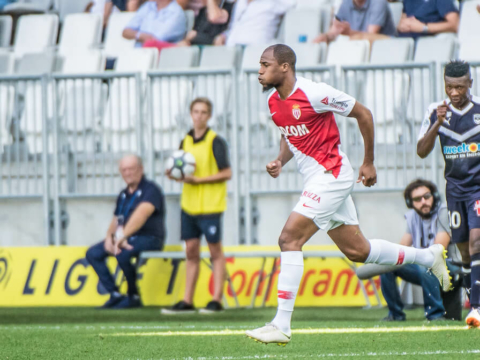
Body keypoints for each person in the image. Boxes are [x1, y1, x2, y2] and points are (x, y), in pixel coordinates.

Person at [245, 44, 451, 345]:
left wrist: (368, 161)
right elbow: (289, 133)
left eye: (265, 64)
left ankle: (281, 323)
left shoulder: (315, 92)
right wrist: (280, 160)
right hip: (317, 180)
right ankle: (428, 256)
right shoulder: (275, 103)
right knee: (359, 251)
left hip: (332, 175)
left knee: (289, 239)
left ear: (285, 66)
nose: (260, 70)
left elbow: (363, 114)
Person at [417, 60, 480, 328]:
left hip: (478, 188)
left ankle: (476, 307)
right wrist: (438, 124)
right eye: (449, 87)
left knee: (477, 242)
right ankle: (471, 295)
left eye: (459, 87)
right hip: (454, 189)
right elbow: (421, 150)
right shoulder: (435, 111)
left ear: (470, 84)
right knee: (464, 250)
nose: (454, 92)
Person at [162, 97, 232, 314]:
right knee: (191, 252)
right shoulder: (185, 141)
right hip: (189, 206)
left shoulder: (215, 141)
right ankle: (187, 300)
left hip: (211, 206)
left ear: (209, 116)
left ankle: (216, 300)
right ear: (190, 114)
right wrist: (174, 175)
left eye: (203, 112)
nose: (199, 116)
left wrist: (198, 180)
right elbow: (184, 172)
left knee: (215, 252)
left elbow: (226, 173)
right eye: (196, 112)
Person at [86, 155, 166, 309]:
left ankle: (133, 296)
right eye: (124, 170)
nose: (128, 173)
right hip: (124, 238)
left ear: (141, 169)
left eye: (131, 169)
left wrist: (121, 237)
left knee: (122, 252)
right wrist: (110, 237)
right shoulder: (123, 194)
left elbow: (141, 215)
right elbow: (116, 219)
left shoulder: (151, 190)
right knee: (93, 253)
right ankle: (115, 294)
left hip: (150, 238)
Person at [379, 179, 454, 321]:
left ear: (435, 197)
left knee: (427, 264)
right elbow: (402, 248)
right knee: (387, 266)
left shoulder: (444, 212)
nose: (423, 202)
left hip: (449, 267)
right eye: (417, 199)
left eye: (426, 196)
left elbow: (438, 250)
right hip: (423, 267)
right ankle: (395, 314)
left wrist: (415, 257)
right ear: (410, 203)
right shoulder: (412, 216)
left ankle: (435, 315)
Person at [213, 0, 295, 47]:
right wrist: (224, 35)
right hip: (233, 51)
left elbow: (294, 4)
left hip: (256, 52)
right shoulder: (240, 3)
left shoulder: (272, 2)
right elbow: (234, 26)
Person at [313, 0, 396, 44]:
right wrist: (326, 37)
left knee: (353, 40)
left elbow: (371, 34)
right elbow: (335, 29)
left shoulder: (378, 2)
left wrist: (349, 32)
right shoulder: (346, 3)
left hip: (384, 48)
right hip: (359, 49)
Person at [122, 0, 186, 47]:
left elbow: (154, 40)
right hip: (138, 55)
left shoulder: (176, 13)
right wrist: (140, 35)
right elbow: (125, 32)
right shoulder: (147, 6)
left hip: (160, 58)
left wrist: (136, 35)